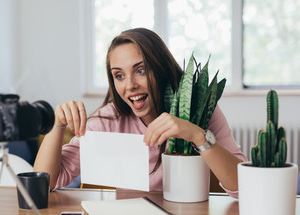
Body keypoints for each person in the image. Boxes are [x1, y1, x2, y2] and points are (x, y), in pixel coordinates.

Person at [34, 28, 247, 198]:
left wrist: (197, 136)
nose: (130, 86)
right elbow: (43, 183)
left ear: (161, 69)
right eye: (119, 76)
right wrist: (57, 124)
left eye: (141, 70)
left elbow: (243, 187)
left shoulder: (197, 110)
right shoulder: (107, 121)